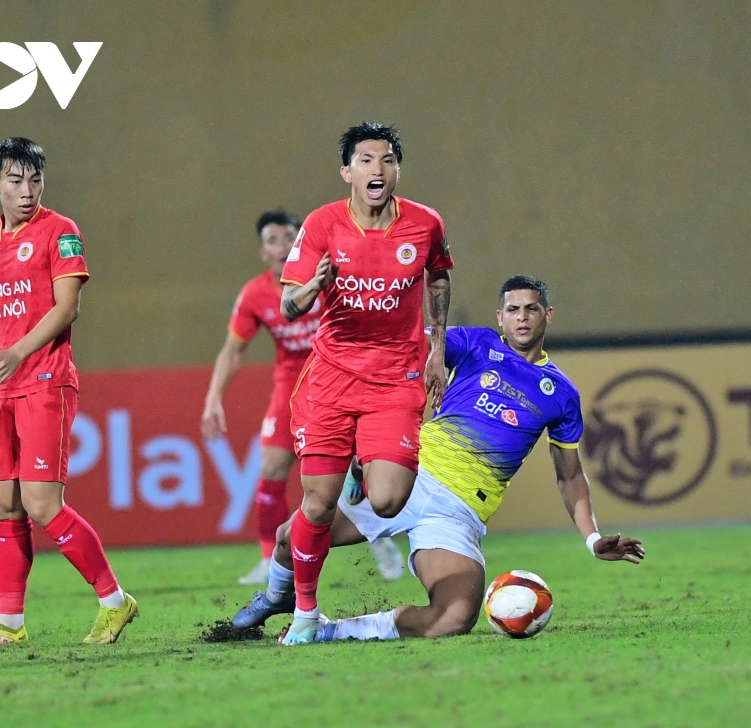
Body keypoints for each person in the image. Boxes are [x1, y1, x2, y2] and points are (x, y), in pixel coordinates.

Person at [231, 276, 645, 642]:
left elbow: (569, 476)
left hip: (458, 512)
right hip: (412, 473)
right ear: (499, 317)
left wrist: (592, 538)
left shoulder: (561, 393)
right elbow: (405, 343)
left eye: (531, 309)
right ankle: (275, 597)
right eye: (513, 309)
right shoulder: (477, 344)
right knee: (289, 540)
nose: (522, 317)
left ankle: (329, 630)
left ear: (548, 316)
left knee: (455, 616)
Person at [0, 138, 136, 646]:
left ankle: (115, 602)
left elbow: (66, 307)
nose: (27, 191)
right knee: (4, 502)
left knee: (41, 503)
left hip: (45, 380)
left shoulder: (61, 231)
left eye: (35, 180)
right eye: (15, 180)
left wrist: (16, 354)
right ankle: (9, 623)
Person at [275, 122, 453, 644]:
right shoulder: (322, 224)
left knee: (388, 501)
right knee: (317, 505)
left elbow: (439, 274)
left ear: (397, 169)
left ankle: (361, 464)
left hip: (396, 378)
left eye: (387, 160)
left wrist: (437, 349)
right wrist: (314, 285)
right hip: (332, 379)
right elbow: (289, 305)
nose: (378, 169)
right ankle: (306, 613)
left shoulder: (424, 224)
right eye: (367, 160)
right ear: (347, 172)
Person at [200, 209, 404, 584]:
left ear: (301, 242)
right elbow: (233, 349)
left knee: (366, 467)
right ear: (262, 252)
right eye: (272, 241)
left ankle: (379, 540)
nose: (281, 247)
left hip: (341, 378)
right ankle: (268, 558)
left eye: (288, 238)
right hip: (292, 385)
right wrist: (213, 398)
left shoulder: (330, 277)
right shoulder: (255, 294)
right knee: (272, 467)